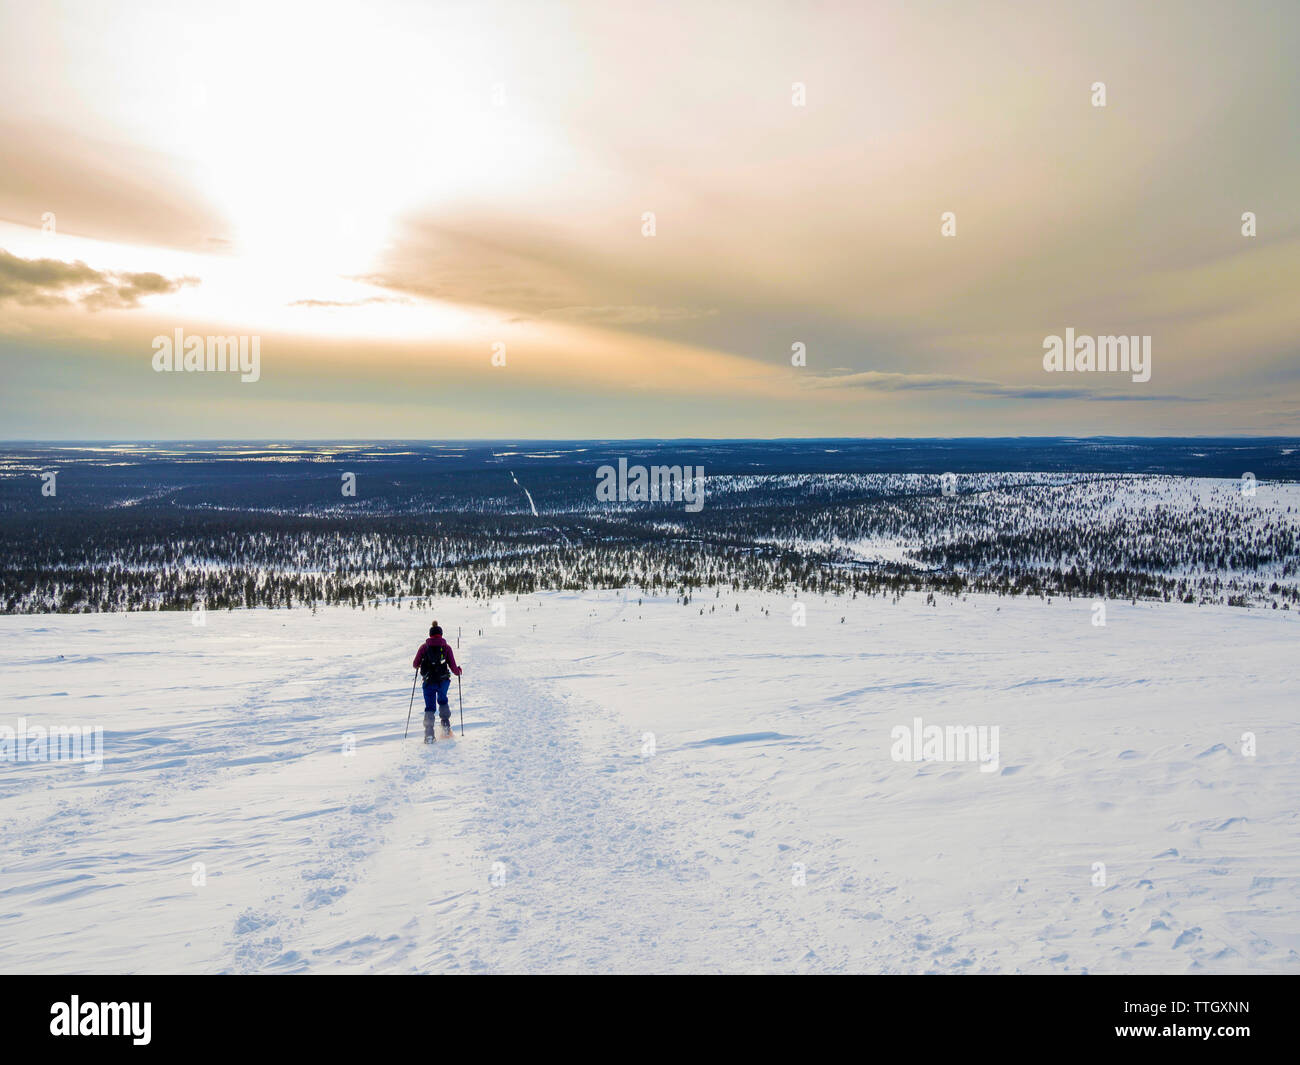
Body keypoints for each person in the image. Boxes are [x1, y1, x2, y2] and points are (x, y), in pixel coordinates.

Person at [412, 624, 463, 733]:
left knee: (430, 706)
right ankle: (445, 726)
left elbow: (415, 664)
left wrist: (420, 665)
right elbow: (453, 666)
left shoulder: (423, 647)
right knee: (443, 700)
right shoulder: (446, 647)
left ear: (430, 635)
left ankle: (429, 733)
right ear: (441, 634)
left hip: (428, 682)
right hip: (443, 681)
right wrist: (458, 672)